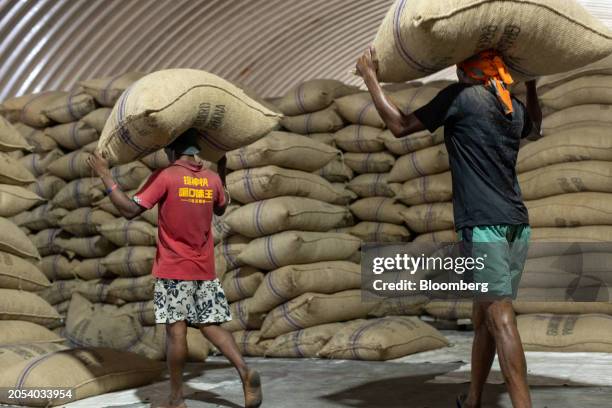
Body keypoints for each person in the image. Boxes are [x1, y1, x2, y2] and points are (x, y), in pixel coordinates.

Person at [356, 47, 542, 408]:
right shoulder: (511, 107)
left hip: (484, 225)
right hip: (517, 226)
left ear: (468, 72)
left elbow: (399, 126)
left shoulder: (460, 98)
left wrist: (371, 80)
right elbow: (535, 127)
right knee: (484, 314)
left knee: (500, 318)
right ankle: (473, 398)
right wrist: (532, 86)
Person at [87, 130, 262, 408]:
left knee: (176, 331)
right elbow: (221, 207)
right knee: (211, 325)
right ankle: (244, 370)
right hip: (204, 268)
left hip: (173, 270)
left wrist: (105, 175)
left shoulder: (166, 176)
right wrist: (223, 172)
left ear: (172, 152)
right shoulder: (211, 179)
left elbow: (130, 210)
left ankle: (177, 398)